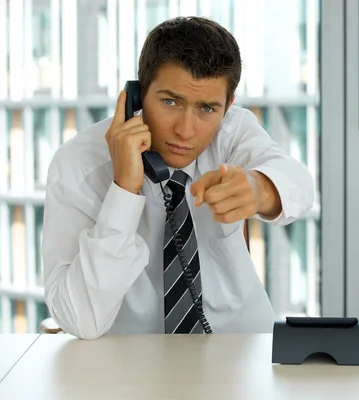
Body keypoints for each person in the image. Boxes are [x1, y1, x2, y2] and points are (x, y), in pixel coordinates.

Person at [41, 16, 315, 339]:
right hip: (130, 363)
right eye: (171, 102)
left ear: (228, 106)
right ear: (138, 96)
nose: (186, 130)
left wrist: (259, 189)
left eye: (207, 109)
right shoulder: (78, 165)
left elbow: (300, 184)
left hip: (242, 347)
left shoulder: (232, 132)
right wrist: (124, 191)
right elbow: (81, 320)